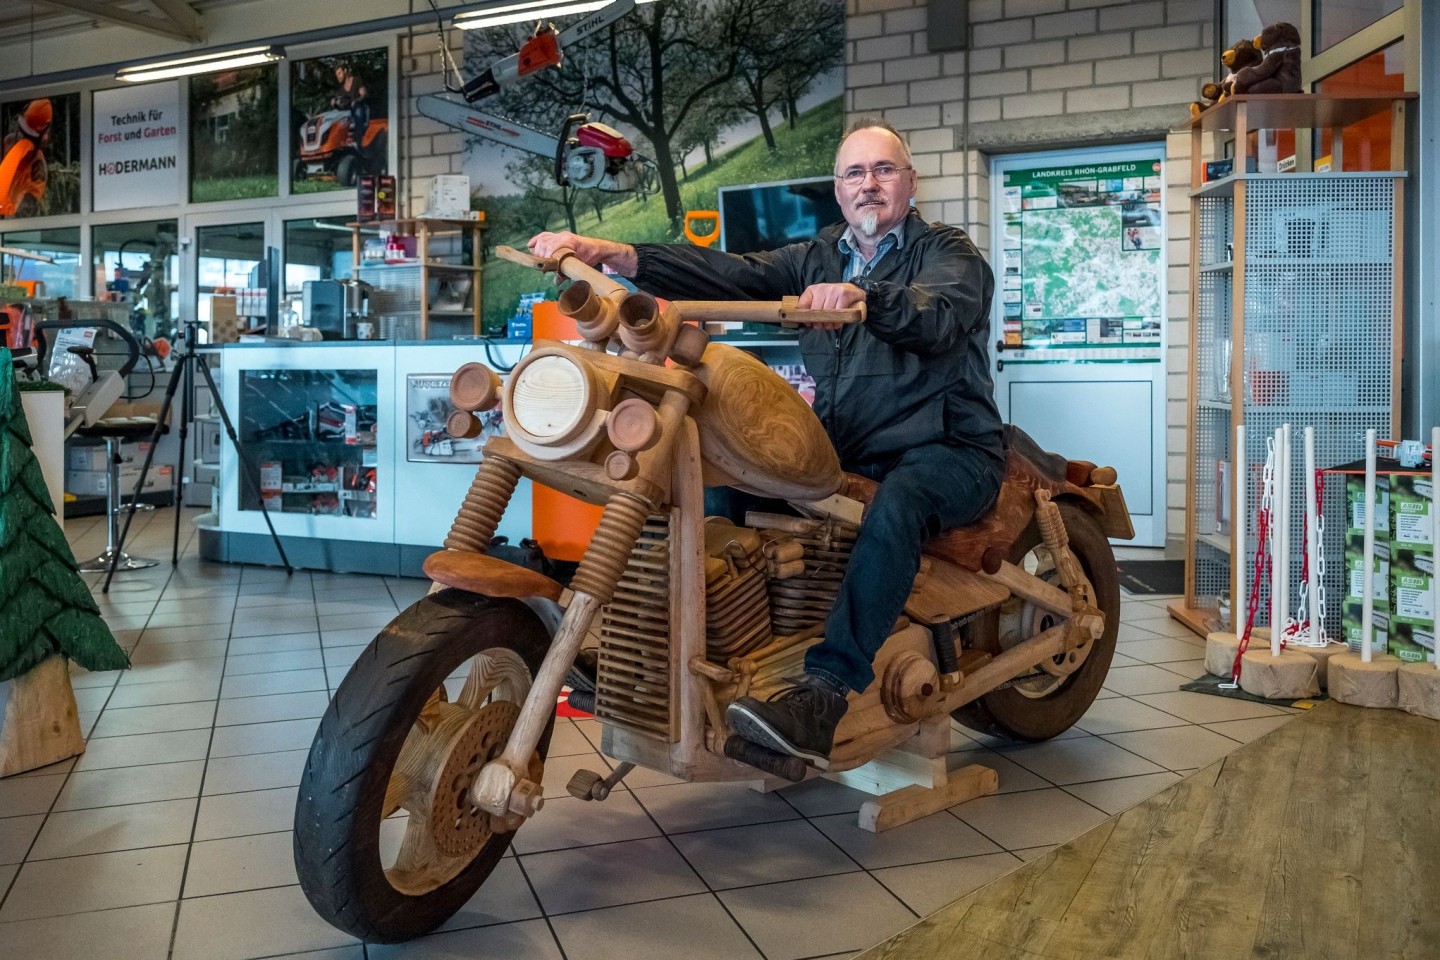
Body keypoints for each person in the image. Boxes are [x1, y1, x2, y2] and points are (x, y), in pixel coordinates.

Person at [528, 118, 1004, 767]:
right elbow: (730, 271)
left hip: (949, 452)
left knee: (901, 502)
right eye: (856, 173)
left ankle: (825, 692)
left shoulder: (950, 253)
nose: (870, 185)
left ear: (909, 183)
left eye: (884, 170)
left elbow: (939, 312)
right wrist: (620, 256)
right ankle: (657, 648)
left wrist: (865, 296)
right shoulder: (816, 256)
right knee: (720, 483)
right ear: (838, 191)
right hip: (853, 448)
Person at [1, 99, 53, 218]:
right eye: (21, 129)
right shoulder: (7, 144)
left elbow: (21, 215)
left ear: (43, 137)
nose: (20, 136)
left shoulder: (37, 170)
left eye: (26, 134)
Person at [332, 64, 369, 146]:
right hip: (347, 112)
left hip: (359, 108)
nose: (338, 77)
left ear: (345, 71)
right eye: (336, 75)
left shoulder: (356, 81)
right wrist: (334, 103)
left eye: (339, 73)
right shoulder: (340, 90)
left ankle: (357, 141)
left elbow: (364, 94)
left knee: (358, 112)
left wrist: (356, 100)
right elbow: (339, 103)